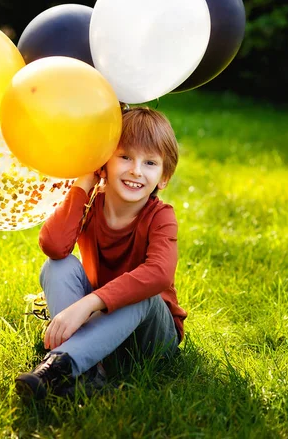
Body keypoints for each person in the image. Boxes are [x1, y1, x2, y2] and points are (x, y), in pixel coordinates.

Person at [15, 106, 187, 401]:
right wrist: (83, 182)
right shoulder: (91, 203)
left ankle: (60, 364)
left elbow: (159, 274)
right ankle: (89, 371)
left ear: (163, 178)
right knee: (58, 266)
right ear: (103, 163)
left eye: (149, 163)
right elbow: (54, 245)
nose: (135, 170)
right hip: (98, 325)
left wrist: (88, 303)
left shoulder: (161, 217)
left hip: (150, 338)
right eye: (124, 157)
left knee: (142, 292)